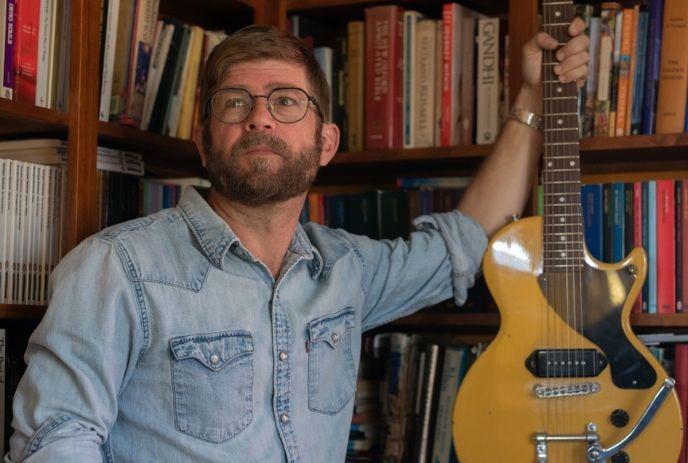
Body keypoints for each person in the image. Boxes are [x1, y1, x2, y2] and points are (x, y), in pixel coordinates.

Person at [7, 20, 589, 463]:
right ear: (205, 142)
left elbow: (467, 242)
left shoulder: (347, 270)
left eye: (286, 101)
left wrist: (533, 100)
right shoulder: (115, 267)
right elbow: (54, 442)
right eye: (235, 103)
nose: (260, 119)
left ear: (325, 143)